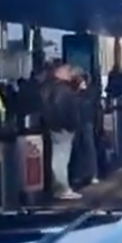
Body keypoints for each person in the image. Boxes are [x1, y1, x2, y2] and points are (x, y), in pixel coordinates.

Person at [41, 62, 82, 200]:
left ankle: (59, 186)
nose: (70, 73)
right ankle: (62, 188)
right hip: (63, 128)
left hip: (54, 126)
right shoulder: (63, 90)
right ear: (59, 72)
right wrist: (70, 125)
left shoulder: (48, 87)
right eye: (67, 71)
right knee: (61, 158)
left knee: (58, 158)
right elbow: (64, 109)